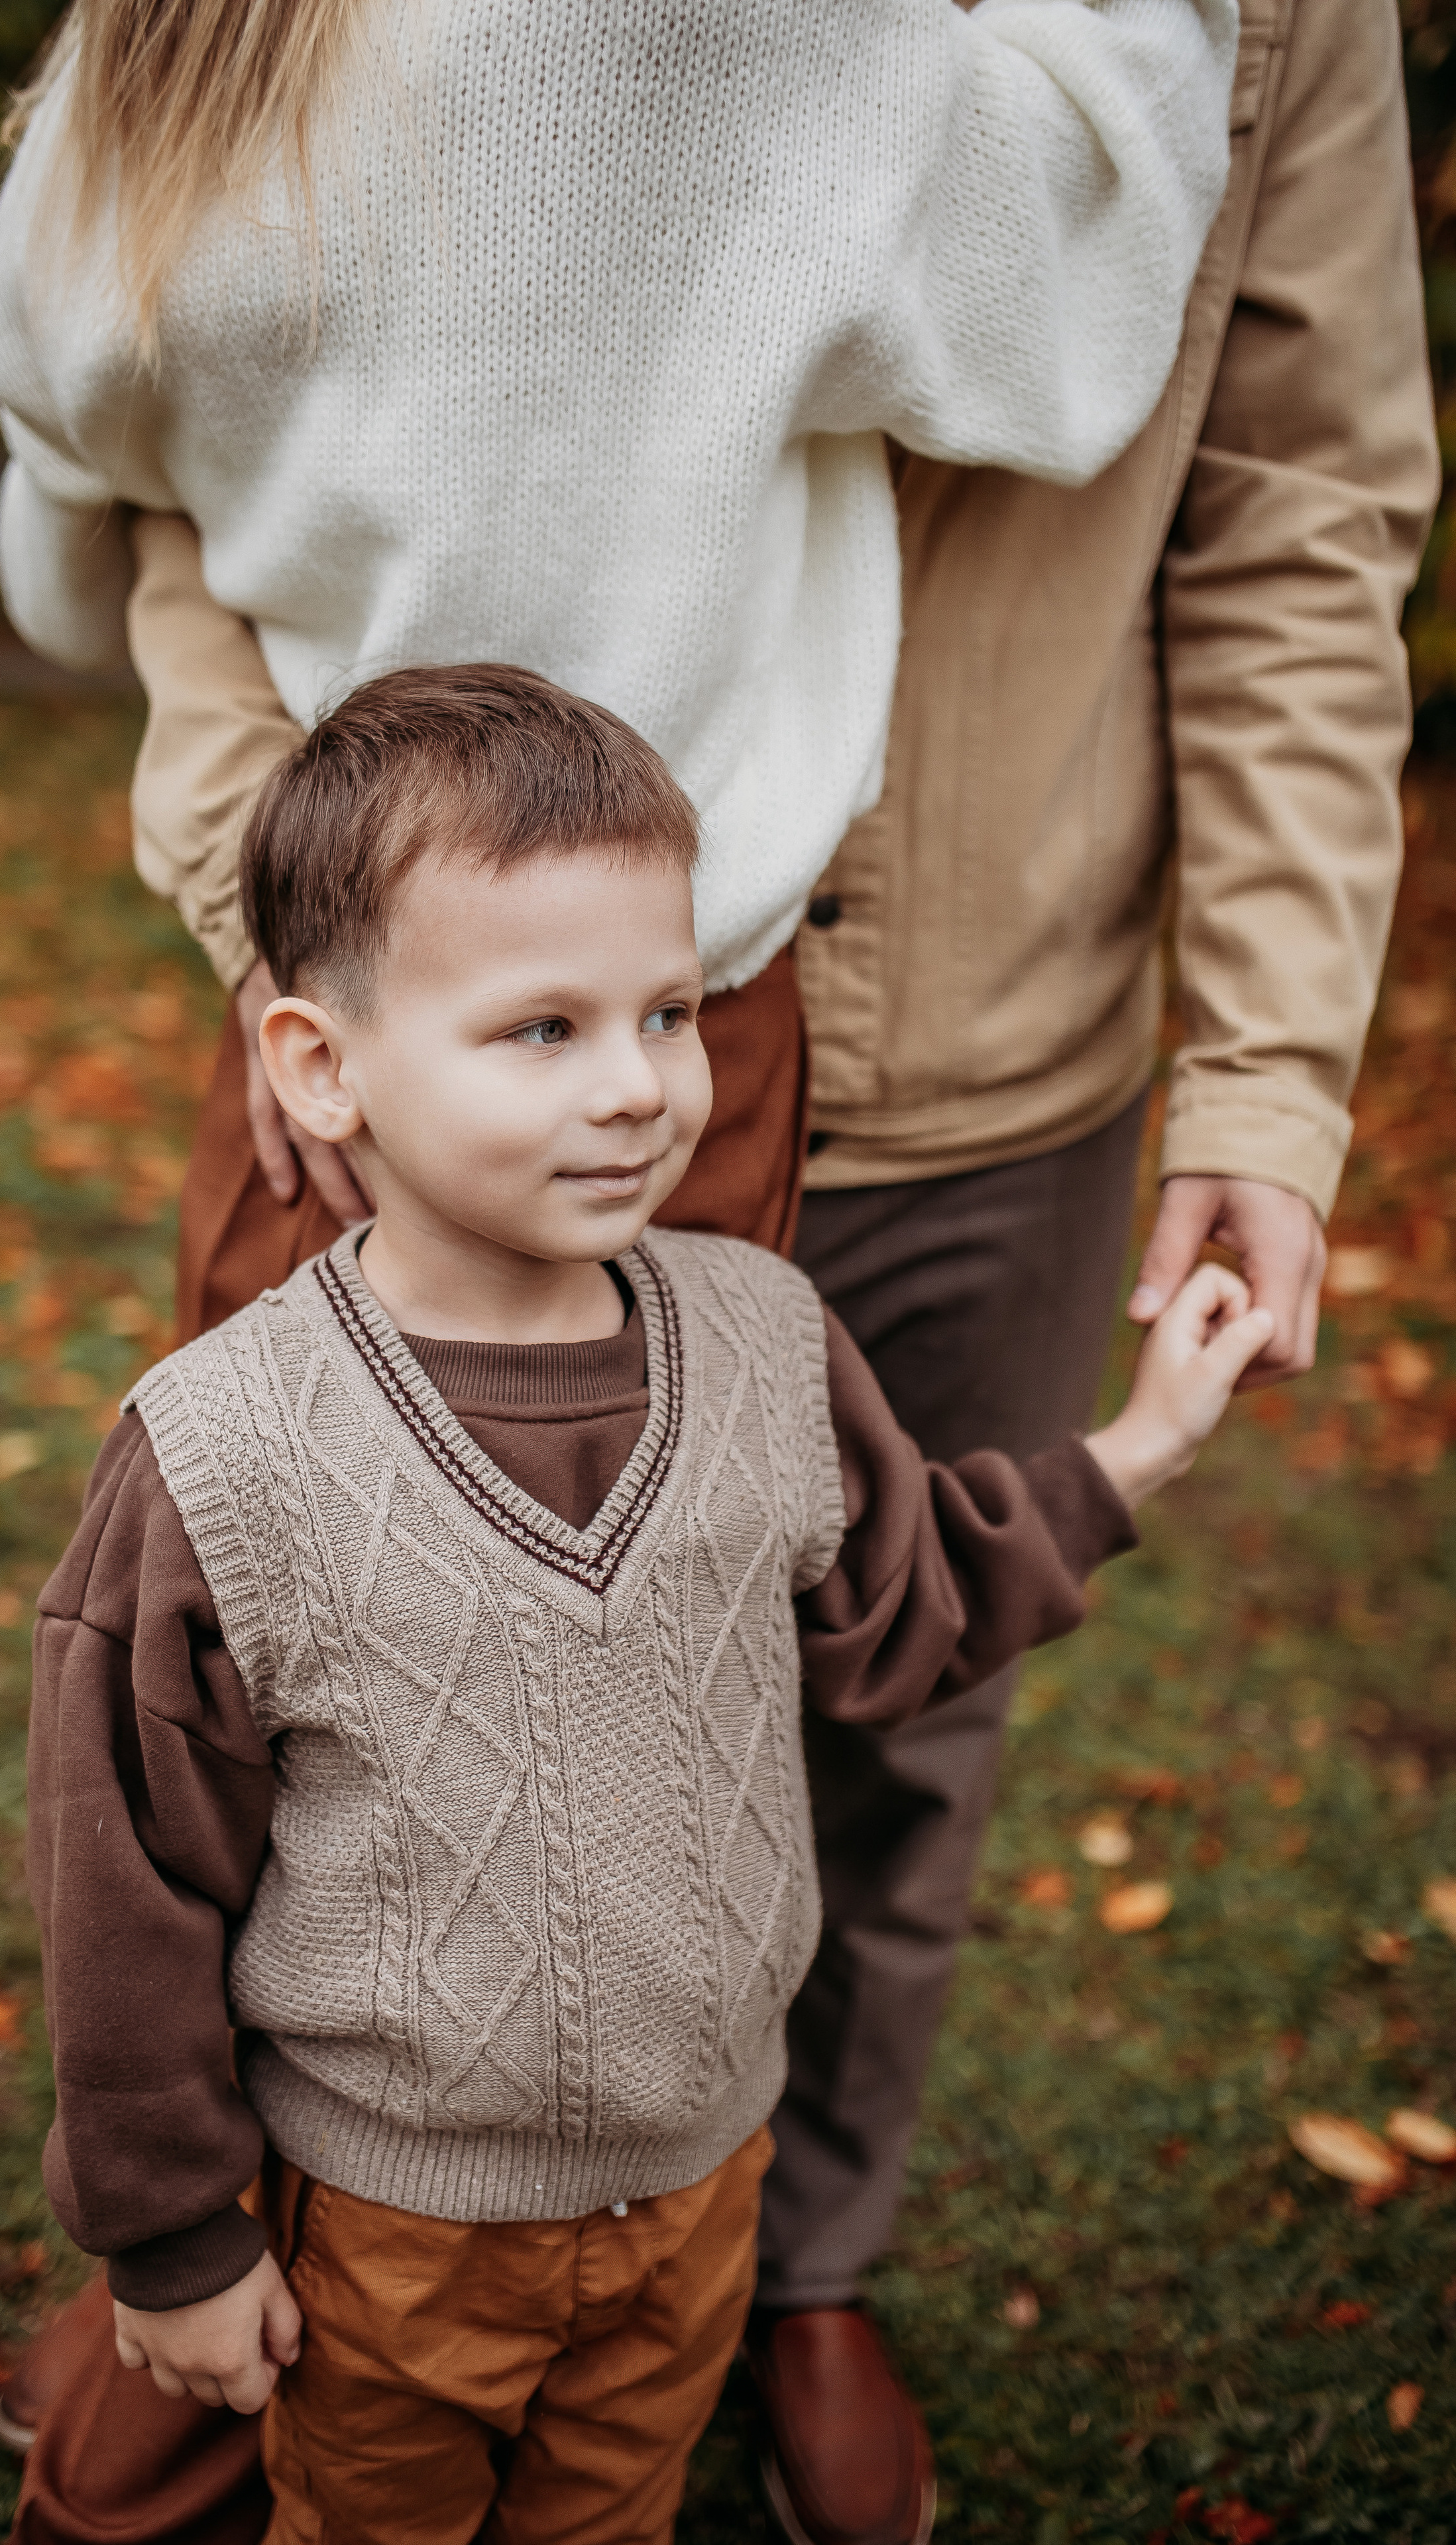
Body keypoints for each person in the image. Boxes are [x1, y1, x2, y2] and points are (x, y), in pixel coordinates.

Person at [25, 664, 1272, 2545]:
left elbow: (902, 1603)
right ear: (319, 1066)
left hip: (699, 2191)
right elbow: (125, 1877)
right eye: (541, 1028)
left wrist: (1138, 1452)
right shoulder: (229, 1455)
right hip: (393, 2229)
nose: (637, 1087)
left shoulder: (766, 1340)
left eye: (670, 1012)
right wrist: (170, 2237)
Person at [744, 0, 1441, 2538]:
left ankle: (806, 2263)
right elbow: (199, 396)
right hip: (537, 1037)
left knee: (908, 1737)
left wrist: (1263, 1072)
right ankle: (298, 2242)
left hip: (1014, 1057)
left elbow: (1297, 502)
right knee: (410, 1707)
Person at [0, 0, 1241, 1348]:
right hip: (650, 1054)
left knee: (267, 1524)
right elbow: (1066, 265)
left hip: (338, 1025)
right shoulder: (710, 33)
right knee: (644, 1535)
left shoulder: (147, 46)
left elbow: (63, 540)